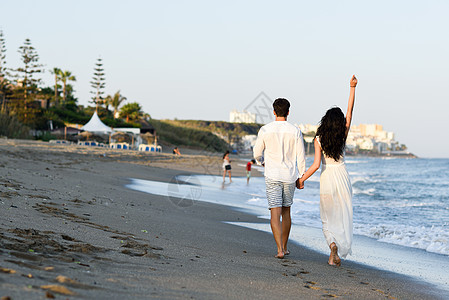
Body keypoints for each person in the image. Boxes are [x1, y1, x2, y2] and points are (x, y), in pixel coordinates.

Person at [299, 75, 358, 266]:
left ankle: (332, 245)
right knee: (342, 214)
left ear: (326, 121)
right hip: (342, 176)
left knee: (327, 216)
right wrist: (352, 88)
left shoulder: (319, 138)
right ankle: (337, 250)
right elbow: (350, 111)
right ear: (339, 123)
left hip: (327, 178)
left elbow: (316, 165)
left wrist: (302, 179)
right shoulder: (343, 135)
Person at [253, 98, 306, 259]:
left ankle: (279, 250)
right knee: (286, 212)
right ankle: (285, 246)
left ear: (274, 111)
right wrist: (302, 176)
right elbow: (301, 156)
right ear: (288, 112)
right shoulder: (295, 131)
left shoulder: (265, 130)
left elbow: (257, 152)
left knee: (274, 213)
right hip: (289, 176)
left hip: (272, 175)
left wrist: (262, 163)